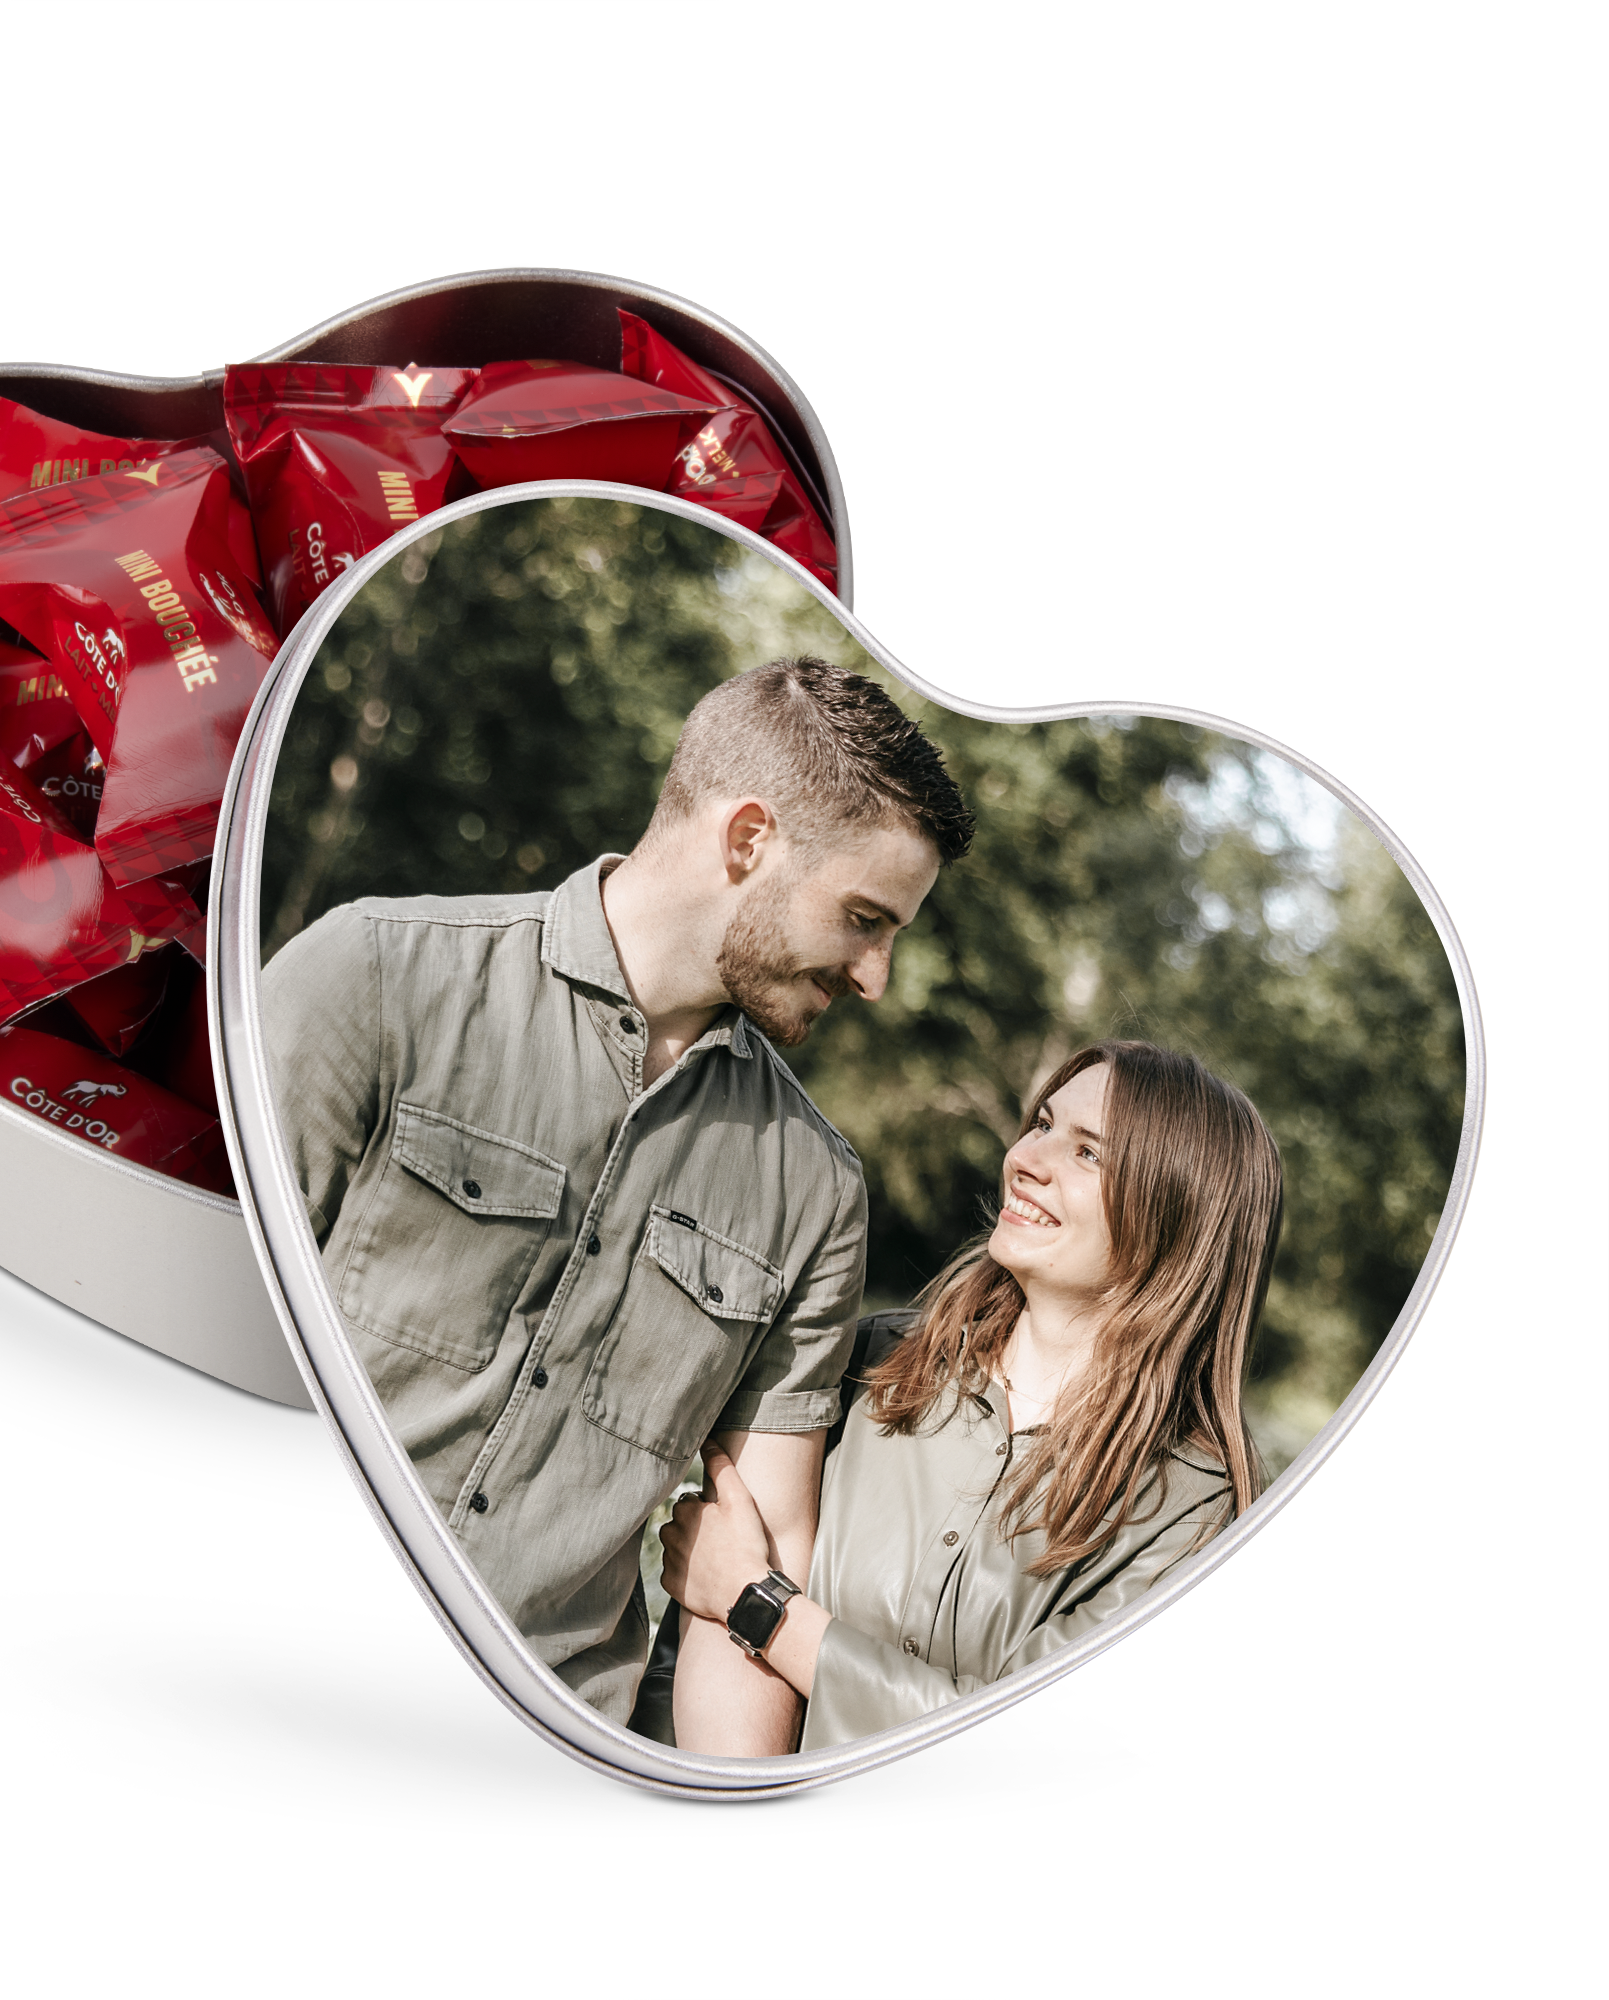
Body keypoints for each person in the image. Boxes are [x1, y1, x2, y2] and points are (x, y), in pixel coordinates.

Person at [260, 656, 972, 1746]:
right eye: (864, 918)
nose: (874, 976)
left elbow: (755, 1553)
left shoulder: (814, 1192)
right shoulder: (374, 978)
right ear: (746, 841)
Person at [655, 1039, 1283, 1751]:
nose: (1026, 1159)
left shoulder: (1195, 1516)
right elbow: (689, 1643)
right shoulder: (863, 1364)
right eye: (1041, 1125)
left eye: (1087, 1153)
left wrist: (762, 1609)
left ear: (1180, 1217)